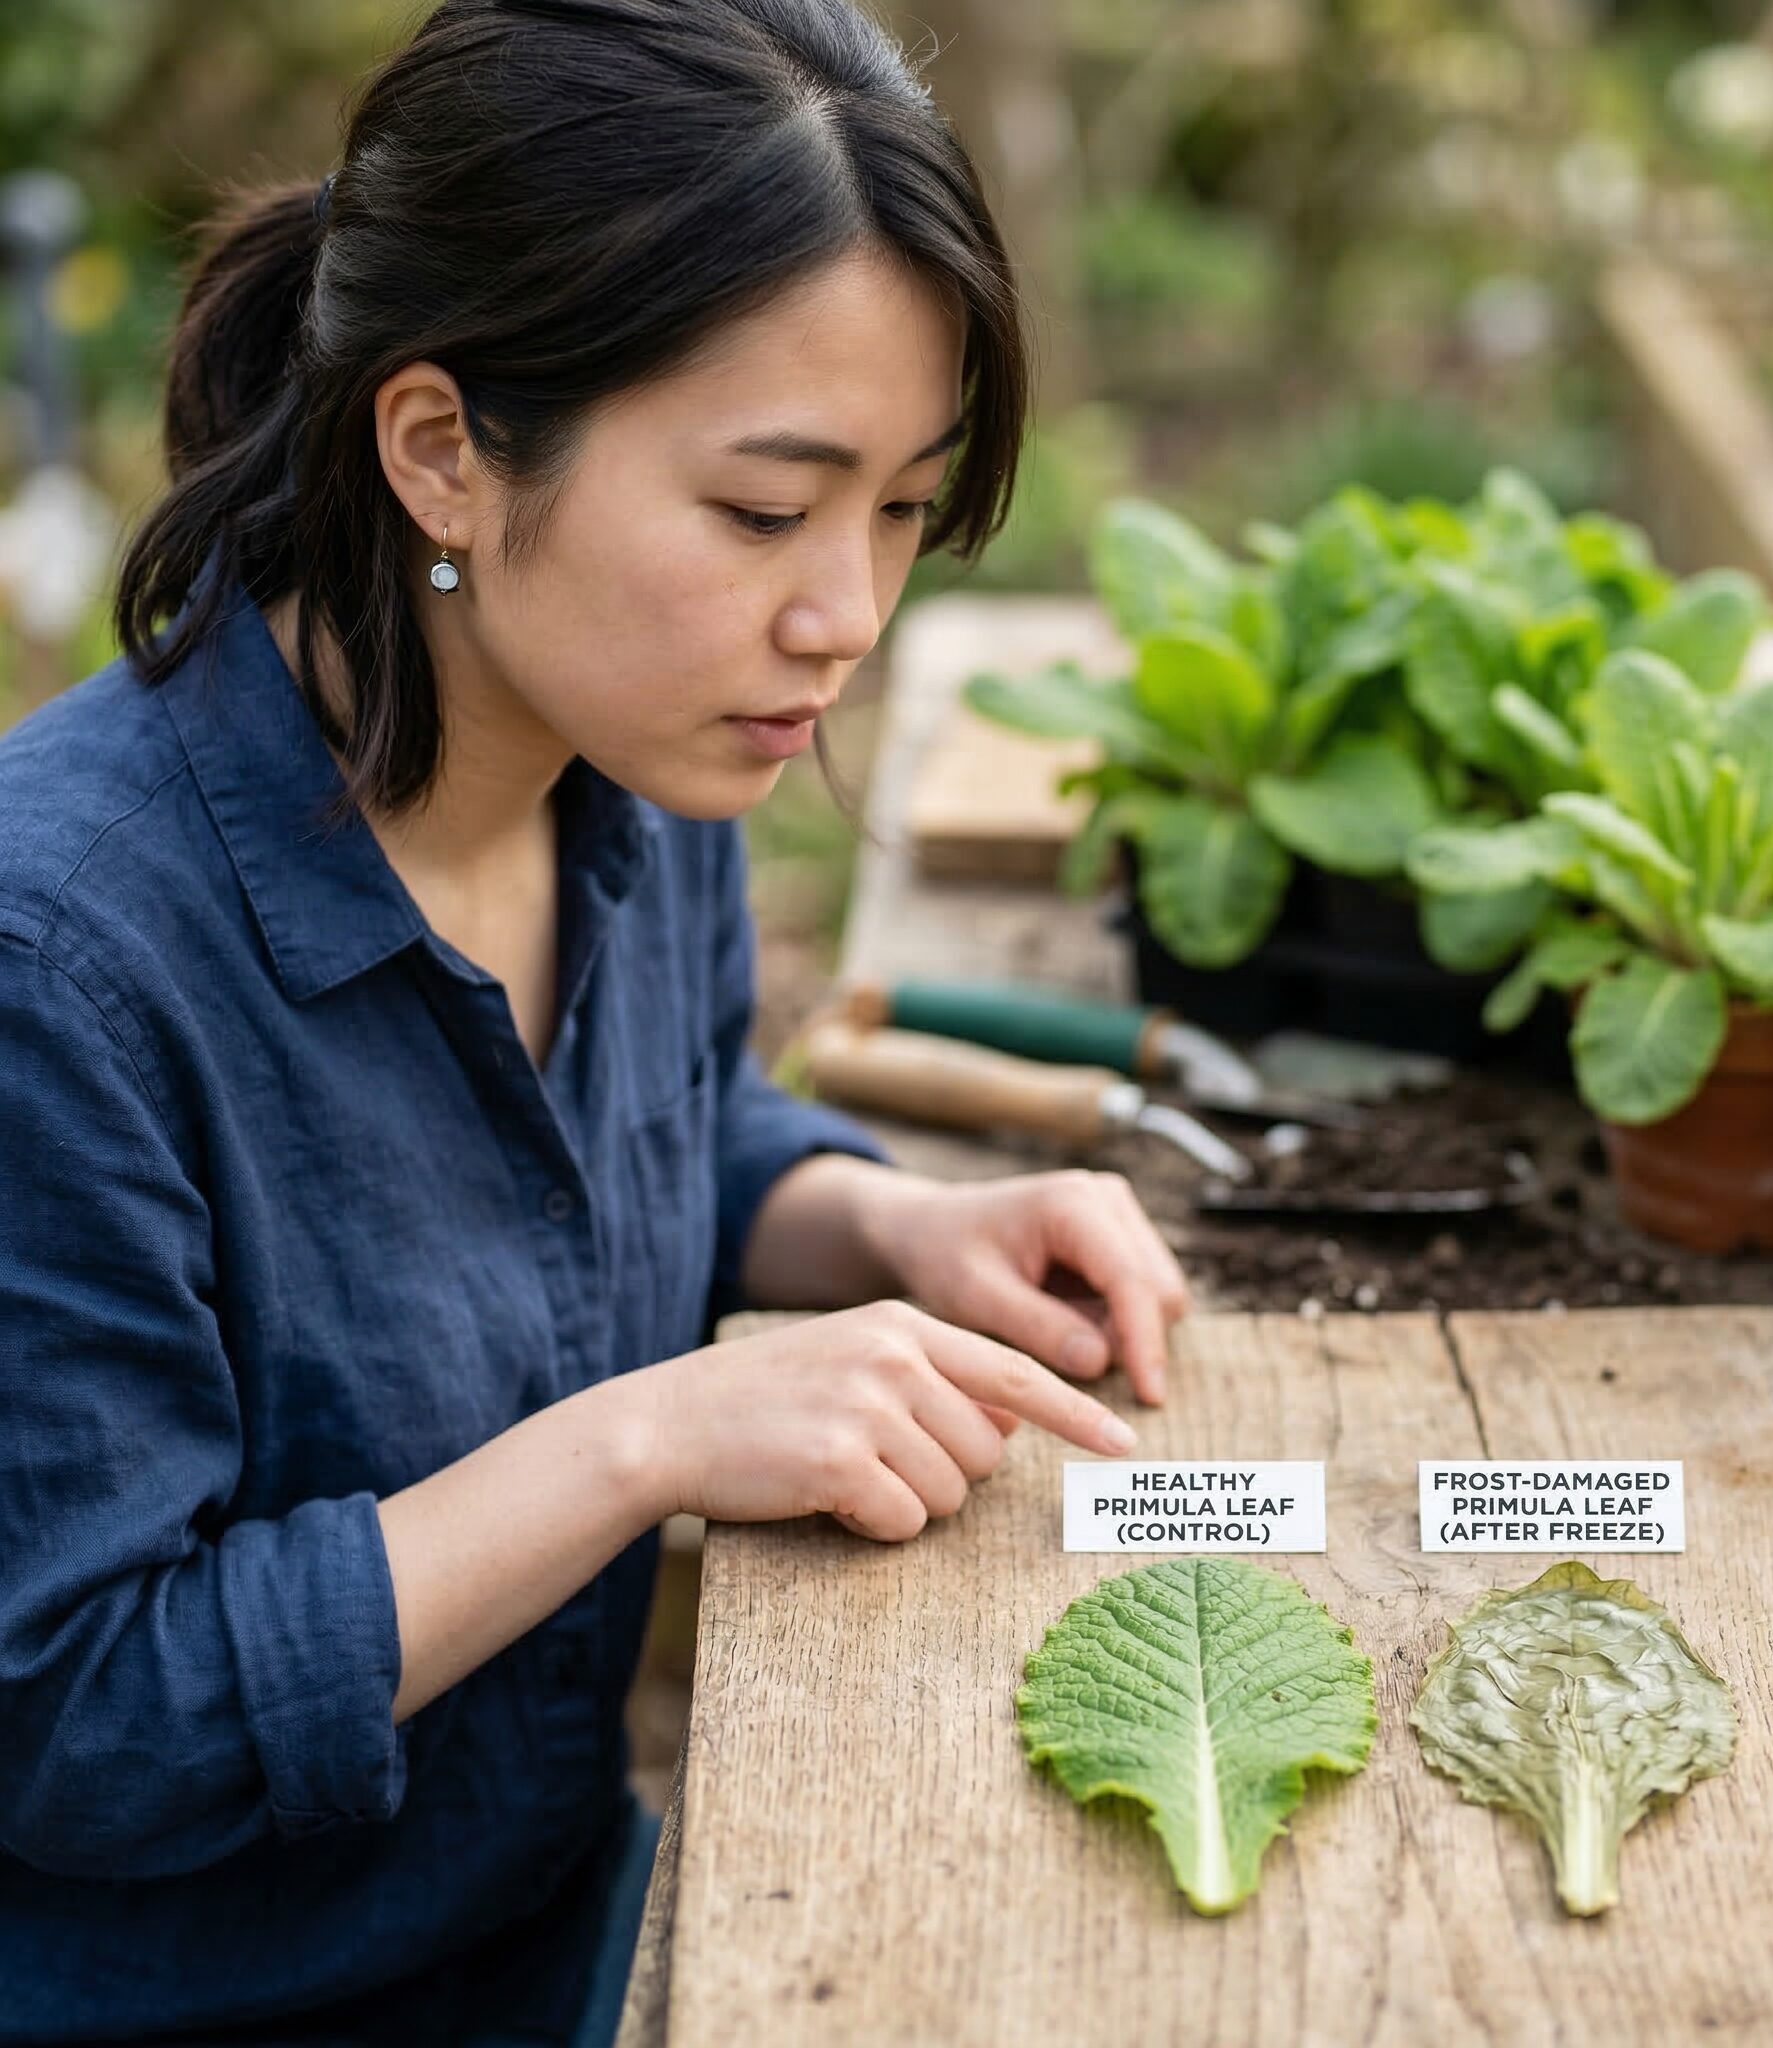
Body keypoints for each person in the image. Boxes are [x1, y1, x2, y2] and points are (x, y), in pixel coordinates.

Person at [0, 2, 1190, 2041]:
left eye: (900, 507)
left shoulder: (633, 753)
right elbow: (84, 1715)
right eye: (762, 510)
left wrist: (879, 1221)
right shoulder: (62, 967)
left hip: (572, 1924)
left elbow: (638, 1136)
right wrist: (646, 1440)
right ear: (443, 448)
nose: (846, 614)